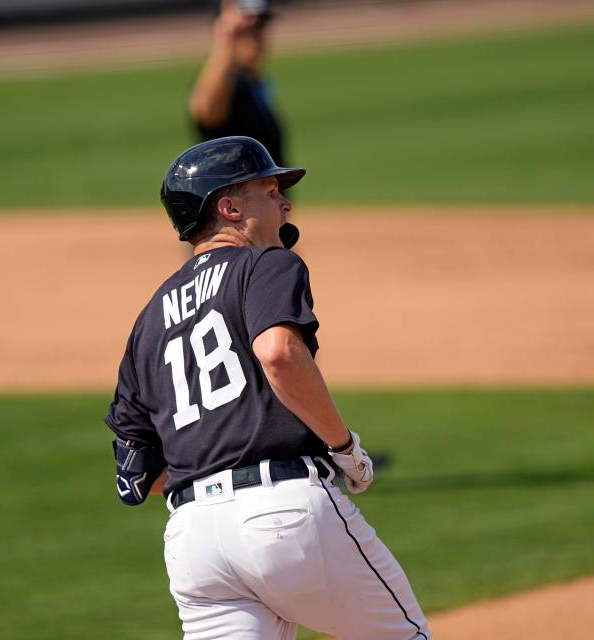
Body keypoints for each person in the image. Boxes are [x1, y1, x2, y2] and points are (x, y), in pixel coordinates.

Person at [105, 136, 430, 640]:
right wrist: (345, 449)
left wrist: (211, 481)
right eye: (270, 190)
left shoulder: (147, 320)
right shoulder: (267, 263)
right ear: (230, 207)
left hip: (194, 542)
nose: (285, 203)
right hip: (285, 515)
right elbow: (278, 353)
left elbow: (134, 470)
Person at [189, 0, 287, 166]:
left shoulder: (253, 83)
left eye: (260, 25)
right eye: (245, 30)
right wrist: (225, 40)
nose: (255, 36)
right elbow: (206, 113)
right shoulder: (227, 86)